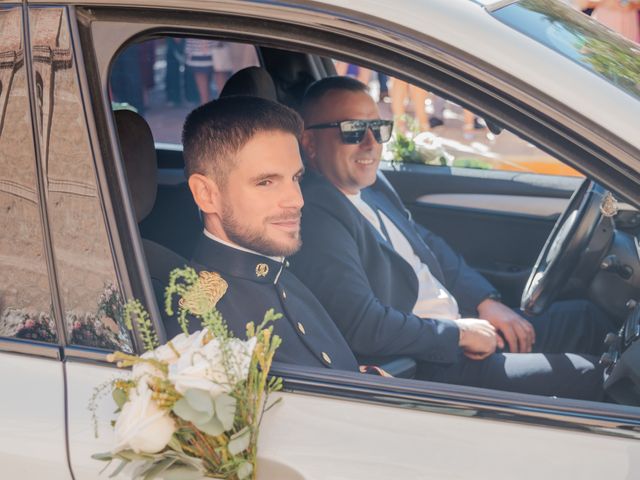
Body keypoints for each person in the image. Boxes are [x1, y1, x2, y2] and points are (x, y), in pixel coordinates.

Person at [293, 76, 616, 400]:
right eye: (352, 130)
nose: (371, 143)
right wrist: (457, 334)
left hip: (459, 327)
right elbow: (363, 324)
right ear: (309, 144)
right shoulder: (318, 214)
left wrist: (485, 302)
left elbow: (428, 246)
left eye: (378, 128)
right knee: (594, 377)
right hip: (431, 363)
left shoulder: (371, 187)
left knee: (589, 319)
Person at [179, 95, 359, 371]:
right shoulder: (204, 330)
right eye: (265, 182)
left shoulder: (277, 274)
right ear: (206, 195)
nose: (296, 200)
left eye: (296, 178)